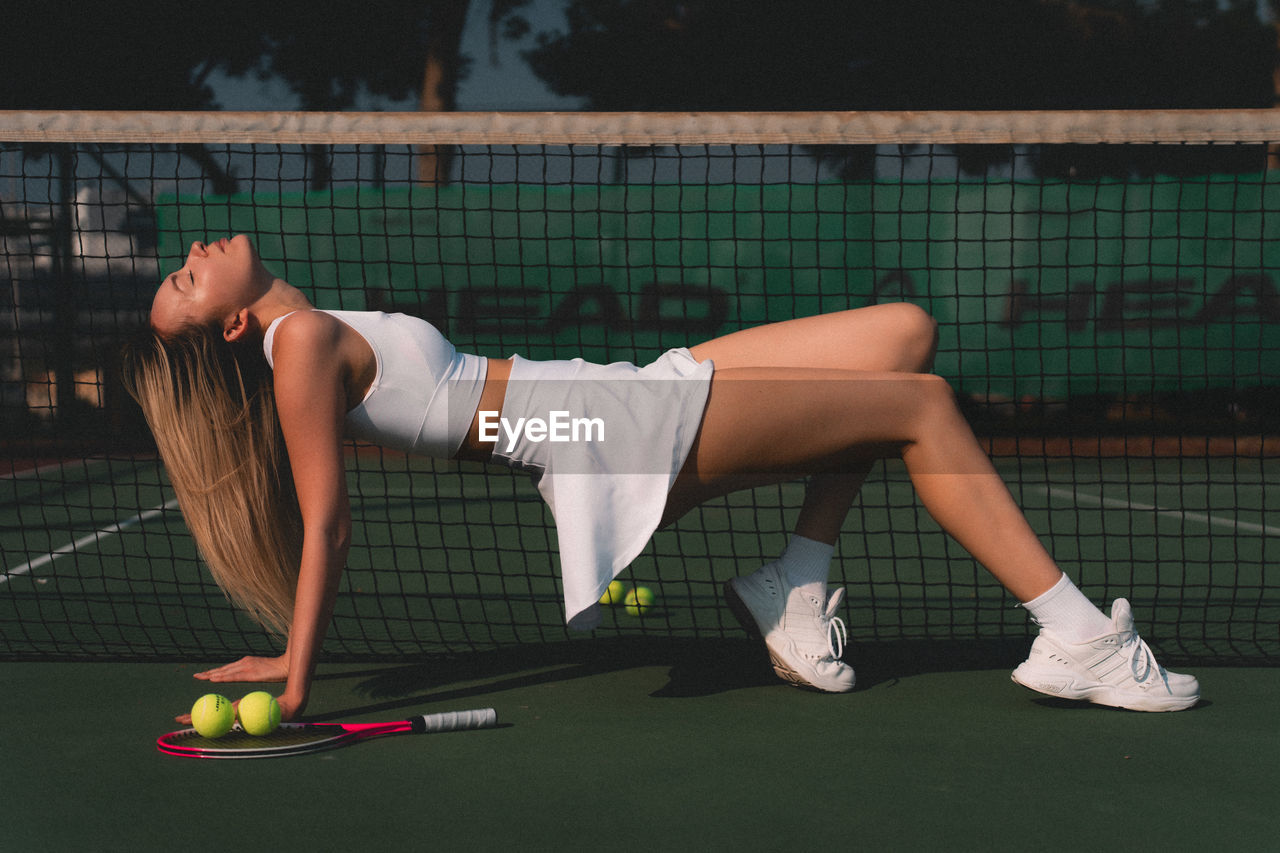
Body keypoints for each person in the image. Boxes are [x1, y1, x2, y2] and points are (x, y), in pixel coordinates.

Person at [121, 235, 1200, 722]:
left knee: (902, 335)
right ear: (225, 322)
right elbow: (326, 524)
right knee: (918, 407)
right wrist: (296, 676)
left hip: (615, 395)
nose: (196, 251)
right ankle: (1077, 640)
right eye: (184, 277)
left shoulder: (312, 325)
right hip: (600, 430)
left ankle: (795, 585)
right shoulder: (299, 344)